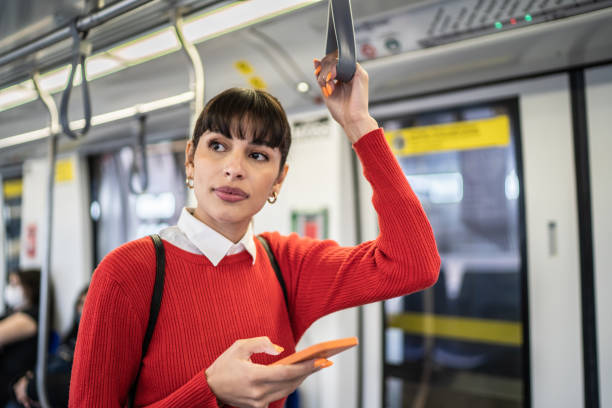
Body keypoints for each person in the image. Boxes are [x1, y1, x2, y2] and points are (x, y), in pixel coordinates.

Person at [69, 54, 440, 408]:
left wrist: (358, 123)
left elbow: (413, 264)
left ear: (278, 180)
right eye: (218, 146)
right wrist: (210, 390)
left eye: (257, 155)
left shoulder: (286, 265)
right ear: (190, 160)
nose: (234, 168)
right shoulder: (128, 273)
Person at [10, 286, 88, 408]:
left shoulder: (92, 348)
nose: (82, 308)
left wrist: (33, 387)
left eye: (87, 303)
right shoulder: (68, 339)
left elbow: (71, 383)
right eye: (80, 303)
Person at [0, 270, 41, 406]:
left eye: (16, 284)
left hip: (12, 384)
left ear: (31, 287)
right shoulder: (11, 312)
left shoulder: (31, 316)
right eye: (10, 284)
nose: (11, 289)